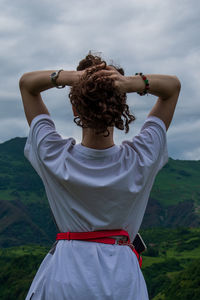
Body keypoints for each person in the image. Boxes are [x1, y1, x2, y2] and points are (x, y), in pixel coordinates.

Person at [19, 53, 181, 300]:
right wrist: (130, 83)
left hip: (66, 278)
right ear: (121, 105)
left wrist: (73, 78)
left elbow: (27, 85)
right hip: (123, 280)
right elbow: (172, 87)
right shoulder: (141, 158)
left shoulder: (53, 155)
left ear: (74, 106)